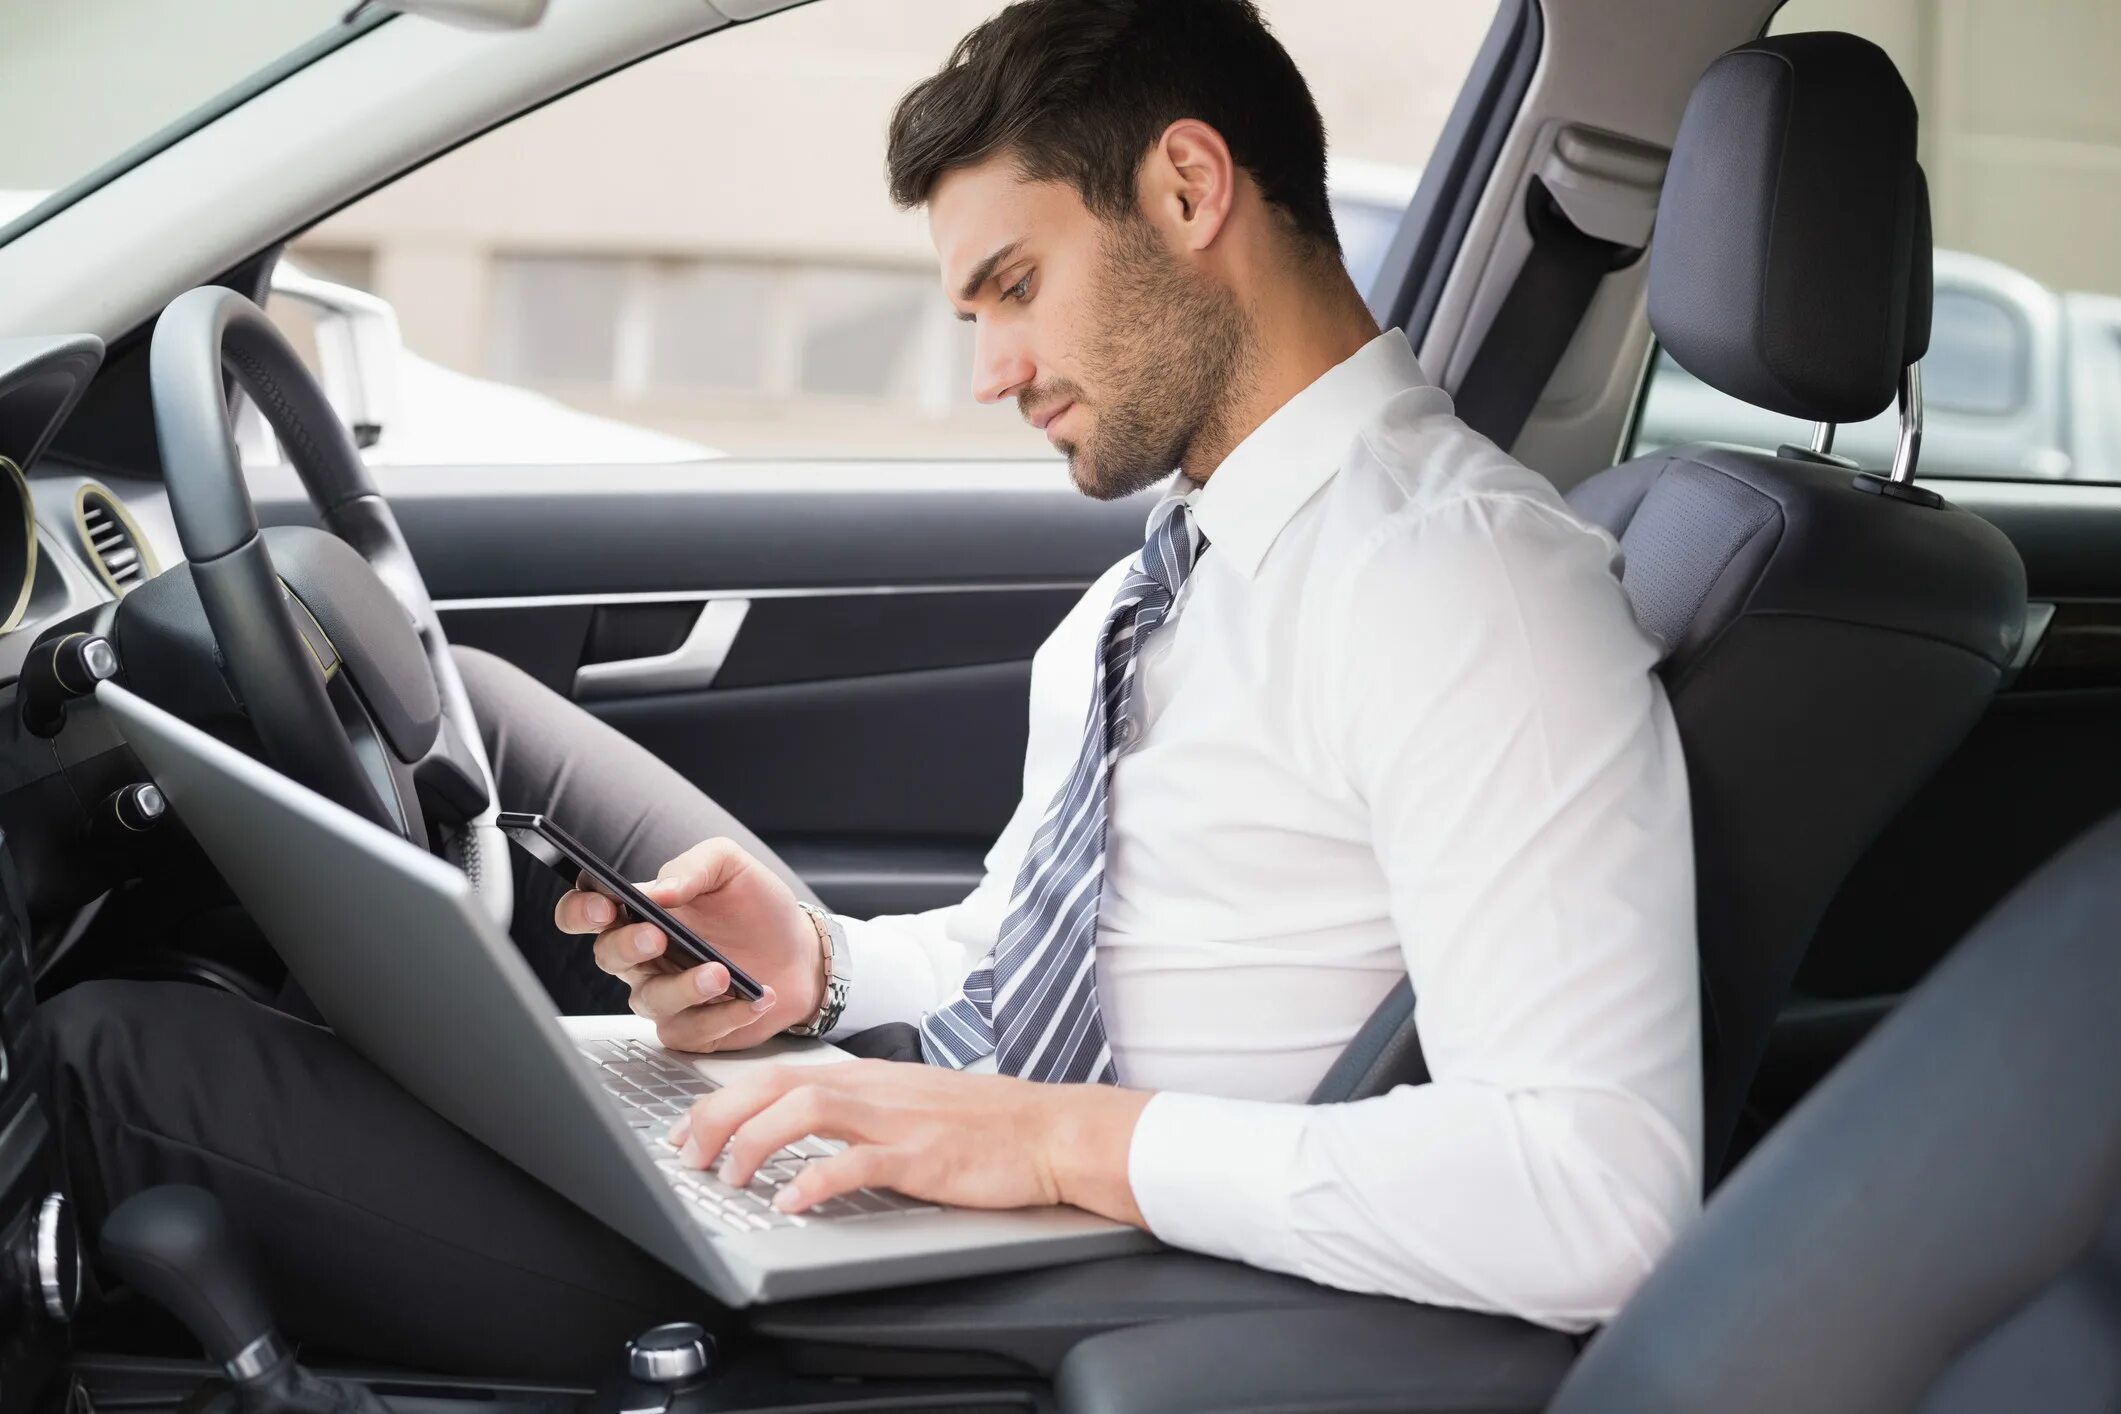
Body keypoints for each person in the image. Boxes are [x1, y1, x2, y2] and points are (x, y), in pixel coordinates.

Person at [49, 0, 1701, 1380]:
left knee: (122, 1053)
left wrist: (1056, 1141)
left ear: (1190, 188)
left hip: (1066, 1288)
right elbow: (1053, 945)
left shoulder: (1457, 581)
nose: (987, 370)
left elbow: (1598, 1192)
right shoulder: (1192, 557)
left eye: (1012, 286)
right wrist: (819, 972)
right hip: (969, 1192)